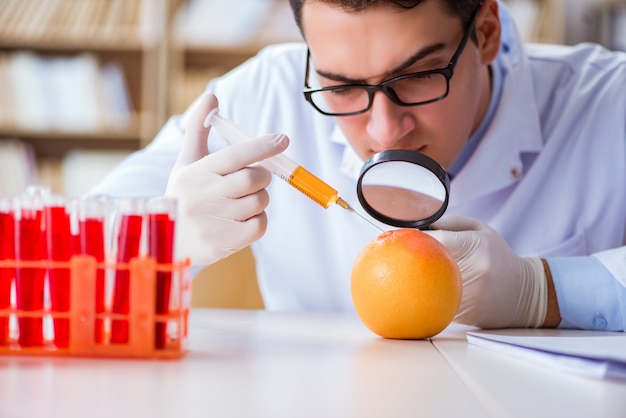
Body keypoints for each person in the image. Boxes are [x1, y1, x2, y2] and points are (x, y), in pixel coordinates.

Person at [90, 0, 626, 331]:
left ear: (487, 33)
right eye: (343, 86)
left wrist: (545, 291)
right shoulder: (262, 96)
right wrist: (158, 239)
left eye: (418, 76)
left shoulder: (609, 103)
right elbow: (68, 248)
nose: (384, 131)